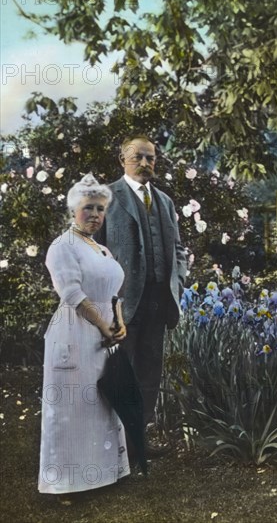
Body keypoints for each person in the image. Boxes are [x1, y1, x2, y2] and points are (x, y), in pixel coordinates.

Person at [39, 173, 129, 501]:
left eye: (100, 209)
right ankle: (68, 482)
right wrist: (103, 327)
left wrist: (118, 322)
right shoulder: (63, 247)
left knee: (102, 402)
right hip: (76, 330)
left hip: (104, 333)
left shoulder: (101, 249)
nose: (94, 215)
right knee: (74, 406)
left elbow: (114, 292)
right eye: (87, 208)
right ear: (73, 210)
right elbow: (73, 294)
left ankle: (103, 474)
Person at [95, 135, 187, 446]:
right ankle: (113, 442)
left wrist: (179, 281)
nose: (145, 164)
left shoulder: (164, 200)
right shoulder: (107, 196)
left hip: (159, 301)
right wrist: (106, 301)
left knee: (150, 371)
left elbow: (177, 249)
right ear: (122, 160)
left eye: (150, 158)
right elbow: (93, 250)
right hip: (122, 302)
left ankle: (138, 440)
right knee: (122, 370)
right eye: (138, 158)